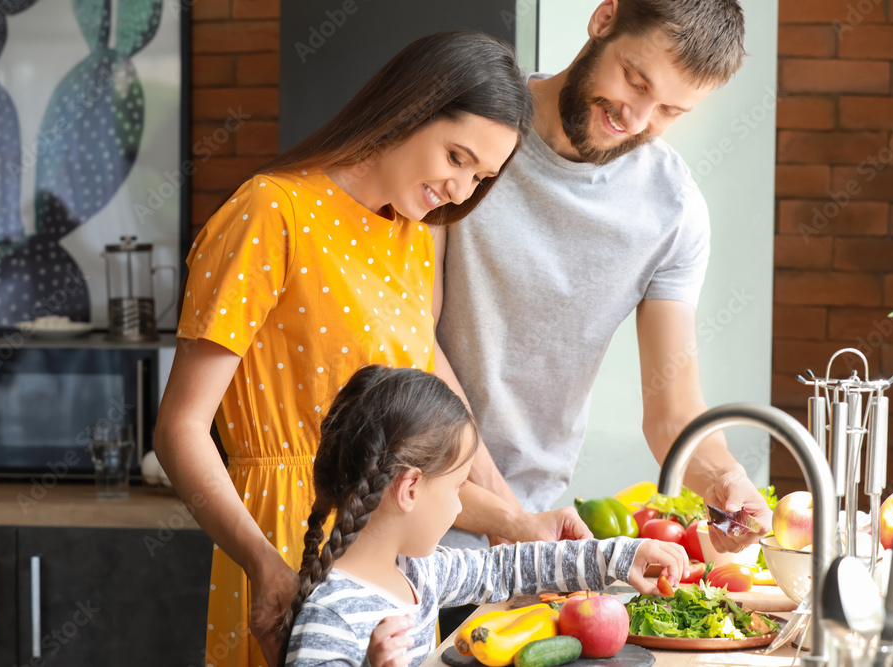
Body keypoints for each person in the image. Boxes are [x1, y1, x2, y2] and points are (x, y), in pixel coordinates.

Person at [154, 31, 585, 667]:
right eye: (456, 156)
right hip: (282, 548)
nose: (462, 190)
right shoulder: (272, 213)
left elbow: (401, 461)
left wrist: (515, 526)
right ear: (410, 108)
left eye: (482, 176)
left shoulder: (412, 236)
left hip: (391, 572)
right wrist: (265, 566)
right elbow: (180, 430)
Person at [434, 1, 772, 563]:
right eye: (635, 81)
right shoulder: (470, 130)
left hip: (530, 528)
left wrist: (723, 478)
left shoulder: (672, 210)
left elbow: (672, 410)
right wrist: (505, 515)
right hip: (400, 508)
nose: (636, 119)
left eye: (668, 110)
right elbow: (407, 336)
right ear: (604, 18)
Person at [279, 365, 689, 667]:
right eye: (458, 488)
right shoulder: (330, 616)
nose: (461, 507)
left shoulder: (419, 572)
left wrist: (622, 556)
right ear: (410, 489)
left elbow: (507, 568)